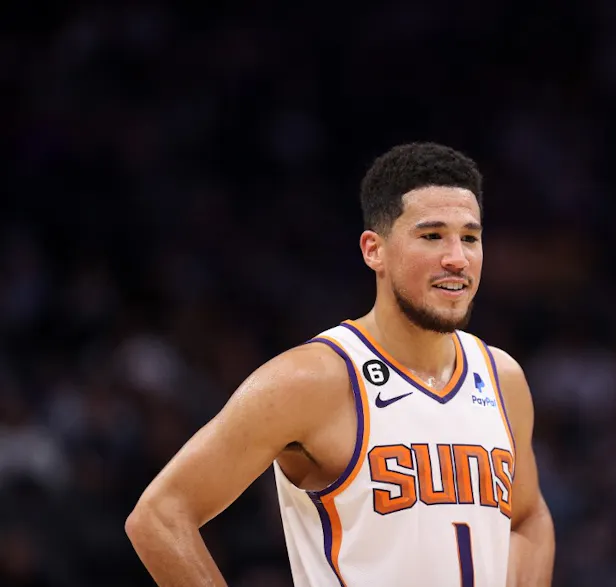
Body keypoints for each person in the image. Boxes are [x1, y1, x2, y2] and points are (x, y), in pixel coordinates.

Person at [125, 142, 556, 586]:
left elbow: (529, 517)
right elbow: (160, 516)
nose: (457, 258)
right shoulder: (312, 378)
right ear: (374, 250)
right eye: (432, 236)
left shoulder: (502, 378)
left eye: (469, 237)